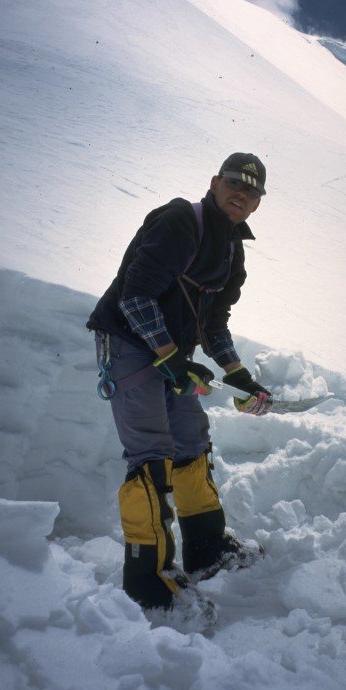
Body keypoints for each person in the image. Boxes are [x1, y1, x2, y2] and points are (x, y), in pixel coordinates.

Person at [87, 153, 272, 620]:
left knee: (191, 439)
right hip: (130, 341)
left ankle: (207, 550)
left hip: (171, 351)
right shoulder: (179, 222)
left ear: (256, 205)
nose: (241, 194)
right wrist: (170, 358)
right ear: (215, 182)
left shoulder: (233, 251)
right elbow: (135, 297)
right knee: (150, 452)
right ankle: (149, 584)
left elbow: (214, 322)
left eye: (251, 192)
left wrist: (238, 375)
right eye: (234, 183)